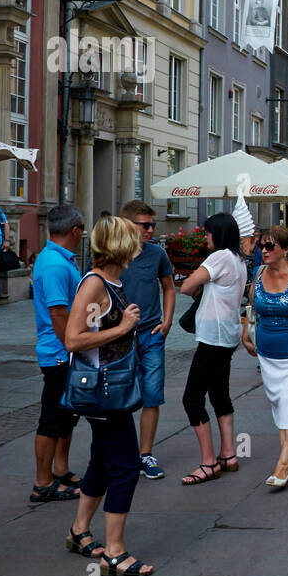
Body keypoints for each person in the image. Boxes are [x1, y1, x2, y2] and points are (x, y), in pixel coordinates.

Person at [63, 216, 152, 576]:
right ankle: (114, 552)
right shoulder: (95, 284)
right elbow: (73, 338)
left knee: (101, 460)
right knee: (126, 465)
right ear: (120, 245)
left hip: (111, 387)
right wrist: (123, 326)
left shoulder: (111, 281)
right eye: (135, 239)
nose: (141, 244)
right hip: (102, 390)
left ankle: (79, 531)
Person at [240, 225, 288, 488]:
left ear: (286, 249)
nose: (263, 250)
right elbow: (253, 306)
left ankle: (284, 465)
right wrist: (246, 333)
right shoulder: (259, 271)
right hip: (269, 353)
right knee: (279, 403)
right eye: (261, 245)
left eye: (269, 246)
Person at [177, 213, 246, 485]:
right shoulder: (239, 260)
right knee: (220, 394)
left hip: (213, 337)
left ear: (217, 233)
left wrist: (199, 281)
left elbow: (186, 286)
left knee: (192, 398)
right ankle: (229, 454)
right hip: (227, 336)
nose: (205, 237)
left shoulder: (219, 257)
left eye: (207, 233)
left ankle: (208, 462)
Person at [29, 204, 86, 504]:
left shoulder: (58, 258)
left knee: (66, 416)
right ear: (75, 229)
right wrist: (72, 346)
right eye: (82, 229)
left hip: (63, 351)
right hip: (58, 353)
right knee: (51, 418)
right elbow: (58, 314)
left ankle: (60, 470)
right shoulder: (54, 264)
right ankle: (42, 482)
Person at [116, 201, 175, 480]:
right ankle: (122, 451)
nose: (151, 230)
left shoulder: (156, 254)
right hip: (120, 337)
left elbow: (168, 286)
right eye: (145, 225)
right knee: (121, 394)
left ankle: (145, 454)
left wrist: (168, 320)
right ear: (129, 225)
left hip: (152, 333)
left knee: (152, 395)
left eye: (153, 225)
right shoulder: (113, 254)